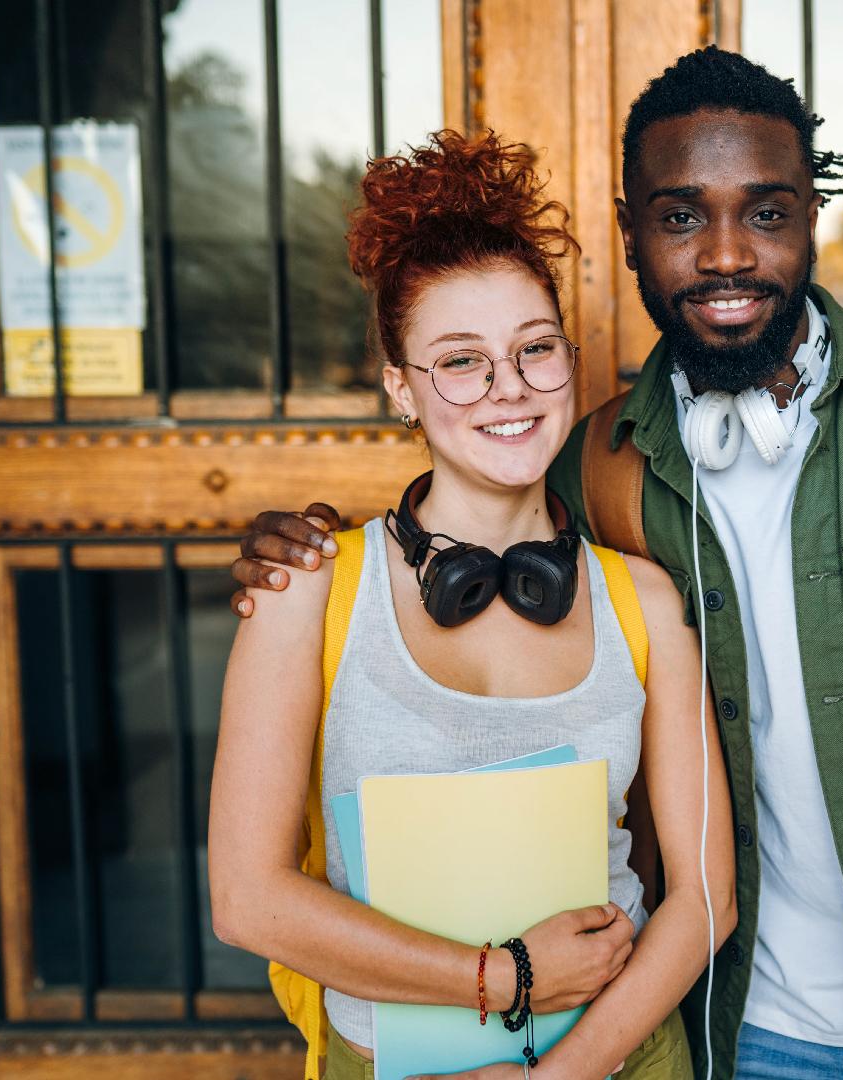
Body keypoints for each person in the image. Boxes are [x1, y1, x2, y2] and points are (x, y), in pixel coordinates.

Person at [231, 49, 843, 1080]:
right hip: (739, 1030)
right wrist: (305, 553)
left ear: (812, 218)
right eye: (683, 217)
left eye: (767, 213)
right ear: (632, 234)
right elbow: (471, 493)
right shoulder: (594, 462)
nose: (727, 254)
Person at [209, 129, 736, 1080]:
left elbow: (706, 901)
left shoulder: (645, 601)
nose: (510, 389)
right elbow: (248, 899)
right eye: (461, 361)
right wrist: (501, 977)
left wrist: (559, 1077)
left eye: (535, 349)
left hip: (618, 1062)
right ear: (400, 389)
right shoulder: (307, 590)